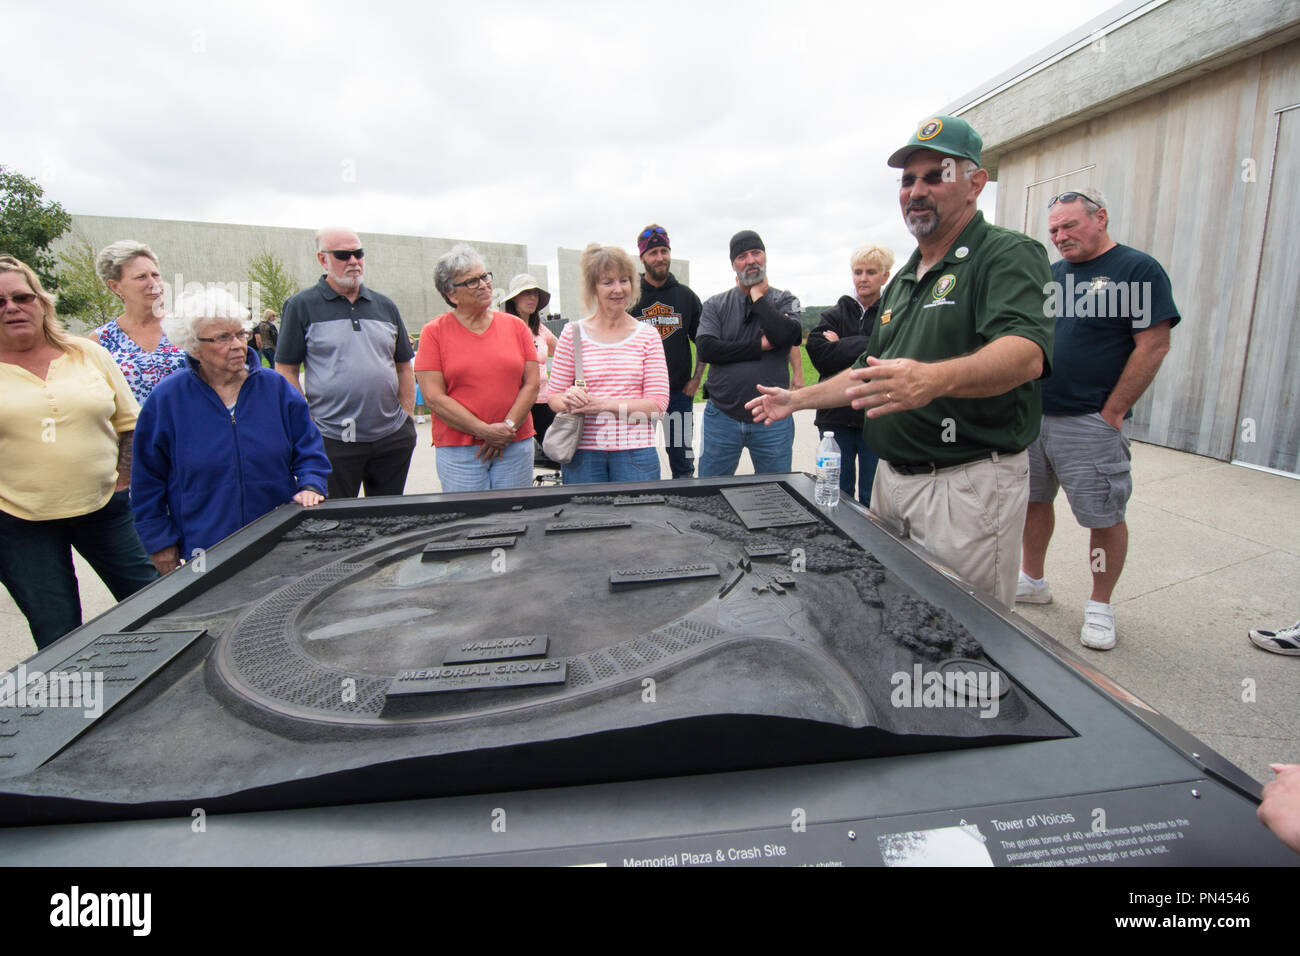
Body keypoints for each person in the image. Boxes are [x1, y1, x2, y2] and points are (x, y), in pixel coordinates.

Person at [746, 116, 1053, 609]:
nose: (917, 191)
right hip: (891, 486)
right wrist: (797, 398)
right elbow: (869, 369)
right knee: (896, 616)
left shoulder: (1006, 255)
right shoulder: (907, 276)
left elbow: (1025, 353)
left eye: (936, 176)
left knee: (966, 634)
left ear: (975, 183)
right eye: (908, 180)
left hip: (964, 486)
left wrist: (931, 380)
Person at [1017, 189, 1179, 651]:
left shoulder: (1137, 269)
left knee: (1102, 516)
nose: (1060, 237)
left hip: (1090, 420)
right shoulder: (1052, 276)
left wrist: (1113, 413)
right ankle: (1033, 580)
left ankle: (1100, 606)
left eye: (1069, 226)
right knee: (1032, 500)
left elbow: (1154, 345)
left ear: (1101, 217)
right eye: (1053, 231)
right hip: (1035, 416)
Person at [0, 255, 158, 650]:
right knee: (58, 632)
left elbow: (129, 425)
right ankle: (73, 707)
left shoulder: (86, 353)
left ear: (41, 300)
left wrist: (122, 483)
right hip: (20, 523)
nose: (12, 308)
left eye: (22, 296)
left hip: (106, 509)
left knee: (155, 608)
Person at [131, 289, 329, 572]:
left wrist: (311, 484)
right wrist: (159, 542)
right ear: (194, 347)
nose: (237, 344)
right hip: (206, 547)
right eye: (223, 338)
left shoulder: (276, 388)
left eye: (240, 334)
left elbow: (309, 448)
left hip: (280, 537)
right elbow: (146, 480)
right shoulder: (167, 400)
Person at [275, 227, 416, 499]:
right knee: (339, 527)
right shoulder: (301, 306)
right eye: (343, 255)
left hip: (391, 438)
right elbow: (286, 370)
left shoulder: (385, 305)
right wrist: (306, 422)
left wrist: (406, 418)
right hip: (332, 439)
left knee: (390, 521)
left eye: (358, 253)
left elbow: (403, 365)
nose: (353, 261)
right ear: (322, 259)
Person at [415, 247, 540, 493]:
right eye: (472, 281)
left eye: (485, 277)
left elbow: (532, 383)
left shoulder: (516, 327)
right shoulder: (434, 332)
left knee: (515, 517)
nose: (484, 285)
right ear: (451, 294)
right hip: (460, 450)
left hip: (514, 443)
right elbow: (434, 397)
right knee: (471, 522)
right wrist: (483, 431)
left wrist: (507, 427)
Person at [548, 243, 669, 485]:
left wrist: (600, 405)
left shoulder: (648, 336)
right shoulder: (572, 334)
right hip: (582, 454)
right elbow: (554, 398)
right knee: (588, 522)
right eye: (608, 282)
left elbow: (657, 406)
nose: (618, 289)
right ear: (593, 287)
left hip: (635, 454)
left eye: (624, 280)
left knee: (640, 519)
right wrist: (570, 399)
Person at [696, 230, 803, 477]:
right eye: (742, 256)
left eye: (756, 253)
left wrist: (757, 298)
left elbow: (788, 336)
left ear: (765, 256)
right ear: (733, 264)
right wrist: (760, 346)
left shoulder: (786, 300)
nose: (751, 260)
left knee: (776, 493)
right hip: (722, 415)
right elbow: (707, 349)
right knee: (710, 491)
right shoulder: (715, 304)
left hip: (773, 417)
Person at [806, 243, 895, 502]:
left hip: (876, 418)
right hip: (835, 420)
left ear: (885, 276)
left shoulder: (894, 312)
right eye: (858, 272)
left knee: (874, 497)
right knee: (836, 494)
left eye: (870, 272)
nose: (863, 278)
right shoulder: (834, 313)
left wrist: (842, 344)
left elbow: (892, 351)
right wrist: (870, 342)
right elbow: (820, 355)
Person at [631, 224, 704, 479]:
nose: (660, 257)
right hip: (640, 397)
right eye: (653, 253)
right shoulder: (631, 298)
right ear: (642, 258)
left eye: (664, 251)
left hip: (678, 396)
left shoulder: (686, 296)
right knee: (638, 460)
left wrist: (696, 380)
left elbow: (703, 342)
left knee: (683, 461)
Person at [91, 240, 186, 405]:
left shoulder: (187, 327)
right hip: (131, 430)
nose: (154, 284)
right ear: (115, 286)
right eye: (141, 277)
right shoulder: (100, 341)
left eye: (155, 275)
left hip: (188, 428)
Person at [502, 273, 557, 450]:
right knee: (513, 451)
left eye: (535, 294)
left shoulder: (540, 329)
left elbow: (565, 353)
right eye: (526, 293)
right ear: (514, 299)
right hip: (516, 402)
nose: (532, 298)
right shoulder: (504, 327)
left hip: (542, 400)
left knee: (559, 448)